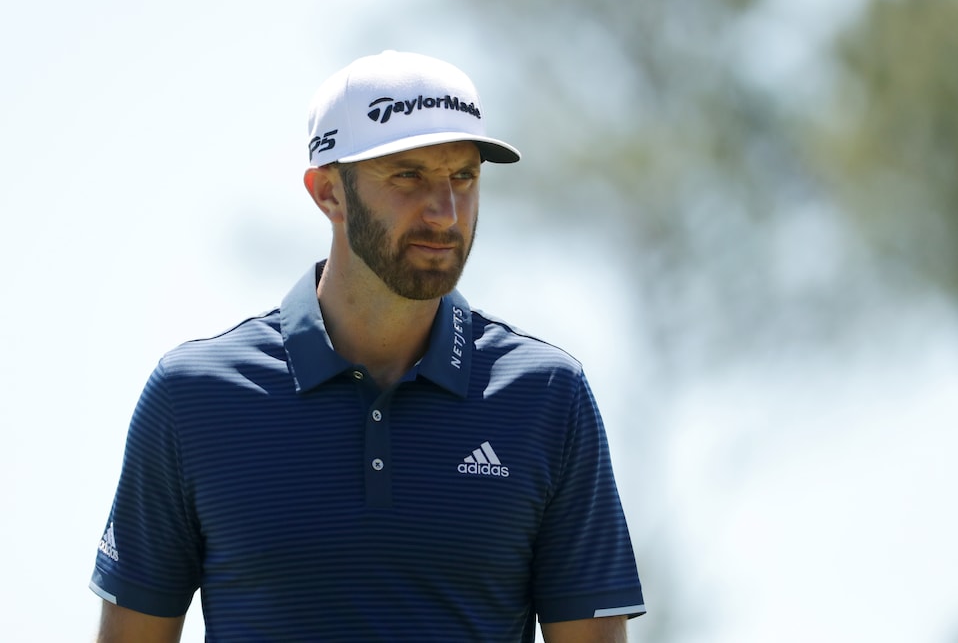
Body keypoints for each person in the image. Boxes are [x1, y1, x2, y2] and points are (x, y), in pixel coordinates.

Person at [90, 50, 645, 642]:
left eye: (463, 176)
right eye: (408, 175)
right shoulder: (192, 398)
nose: (445, 211)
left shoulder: (547, 397)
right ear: (328, 192)